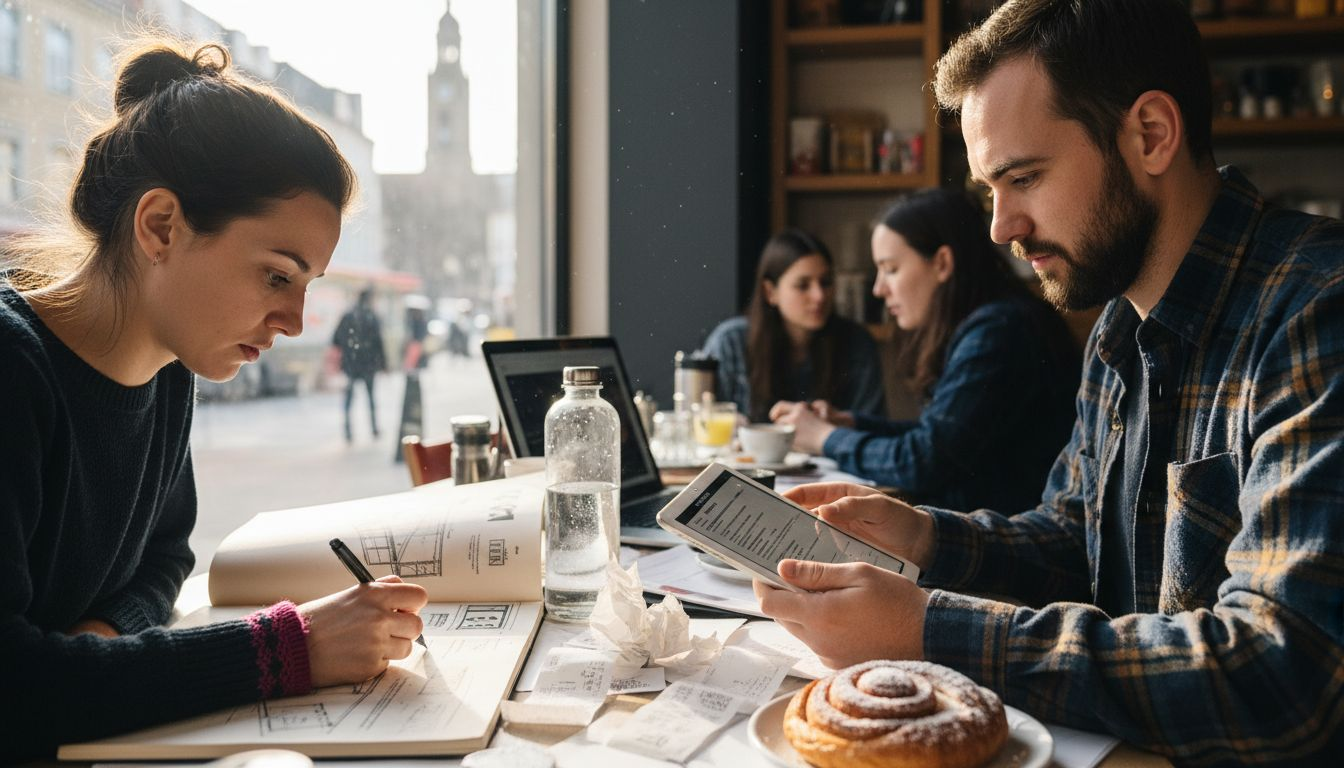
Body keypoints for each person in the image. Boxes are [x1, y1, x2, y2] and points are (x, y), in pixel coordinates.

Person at [753, 1, 1344, 764]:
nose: (1001, 228)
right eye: (989, 191)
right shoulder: (1117, 326)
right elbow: (1076, 542)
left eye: (1024, 177)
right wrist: (926, 536)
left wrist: (927, 628)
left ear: (1151, 135)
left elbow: (1281, 674)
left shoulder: (1317, 314)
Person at [1, 41, 427, 760]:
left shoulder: (170, 368)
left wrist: (95, 651)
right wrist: (291, 647)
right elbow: (13, 689)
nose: (293, 321)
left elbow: (163, 559)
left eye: (306, 286)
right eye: (274, 277)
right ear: (161, 226)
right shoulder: (12, 372)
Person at [772, 190, 1079, 511]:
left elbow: (924, 461)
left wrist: (824, 437)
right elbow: (943, 437)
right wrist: (850, 424)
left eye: (890, 269)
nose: (879, 289)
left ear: (942, 263)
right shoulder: (993, 322)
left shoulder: (999, 331)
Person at [699, 228, 884, 423]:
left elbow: (872, 429)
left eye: (826, 282)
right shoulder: (731, 342)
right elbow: (701, 422)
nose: (819, 296)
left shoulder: (857, 343)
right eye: (803, 285)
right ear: (770, 292)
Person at [332, 286, 387, 442]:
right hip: (368, 364)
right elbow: (379, 342)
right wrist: (384, 363)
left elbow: (335, 339)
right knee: (370, 397)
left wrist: (348, 348)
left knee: (349, 398)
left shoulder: (347, 316)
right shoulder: (372, 317)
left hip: (351, 364)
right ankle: (374, 428)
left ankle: (348, 431)